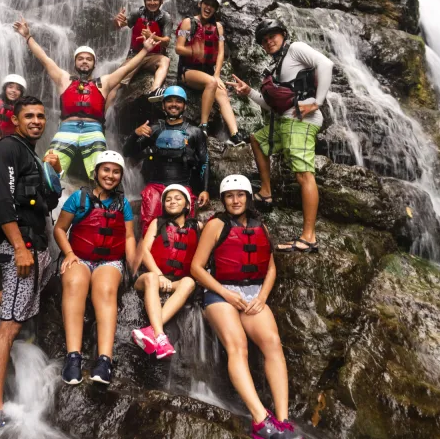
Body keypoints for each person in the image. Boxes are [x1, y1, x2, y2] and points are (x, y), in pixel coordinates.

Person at [189, 175, 302, 439]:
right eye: (230, 196)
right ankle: (261, 421)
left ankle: (283, 421)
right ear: (223, 199)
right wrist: (226, 293)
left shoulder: (260, 225)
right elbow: (196, 267)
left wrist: (262, 297)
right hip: (220, 293)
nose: (236, 200)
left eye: (240, 195)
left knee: (272, 342)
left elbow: (271, 267)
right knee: (237, 345)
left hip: (253, 294)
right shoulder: (216, 224)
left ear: (248, 198)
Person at [0, 96, 55, 434]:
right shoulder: (8, 148)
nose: (36, 121)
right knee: (10, 327)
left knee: (29, 293)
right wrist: (19, 247)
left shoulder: (30, 153)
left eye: (40, 116)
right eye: (29, 116)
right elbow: (4, 201)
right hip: (21, 246)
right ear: (17, 120)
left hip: (38, 245)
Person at [228, 19, 333, 253]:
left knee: (304, 175)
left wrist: (317, 102)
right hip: (284, 120)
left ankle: (308, 237)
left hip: (300, 121)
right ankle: (266, 193)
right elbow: (273, 105)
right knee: (257, 139)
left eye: (273, 36)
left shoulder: (295, 49)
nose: (269, 41)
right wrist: (249, 92)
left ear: (283, 35)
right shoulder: (277, 64)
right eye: (264, 40)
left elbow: (326, 64)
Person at [12, 17, 158, 179]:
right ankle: (48, 197)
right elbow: (44, 59)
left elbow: (127, 68)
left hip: (93, 131)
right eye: (80, 59)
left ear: (94, 64)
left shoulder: (104, 82)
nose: (84, 62)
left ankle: (100, 201)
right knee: (48, 167)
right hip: (67, 129)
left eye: (89, 59)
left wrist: (145, 50)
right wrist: (27, 37)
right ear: (75, 62)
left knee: (101, 173)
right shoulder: (64, 79)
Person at [54, 151, 136, 385]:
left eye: (116, 172)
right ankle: (73, 357)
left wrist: (133, 262)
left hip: (109, 261)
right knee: (75, 283)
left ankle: (104, 360)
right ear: (96, 172)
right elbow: (60, 229)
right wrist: (69, 253)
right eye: (106, 170)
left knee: (106, 289)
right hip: (78, 257)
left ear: (121, 176)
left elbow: (129, 236)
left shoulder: (123, 204)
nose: (110, 176)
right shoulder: (79, 198)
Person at [122, 85, 209, 236]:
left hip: (182, 186)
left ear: (185, 106)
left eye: (178, 101)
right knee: (149, 227)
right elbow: (127, 152)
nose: (174, 104)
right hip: (155, 186)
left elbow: (204, 162)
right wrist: (135, 134)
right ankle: (148, 254)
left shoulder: (195, 132)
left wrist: (205, 190)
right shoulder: (154, 129)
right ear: (163, 105)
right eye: (169, 101)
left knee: (183, 230)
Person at [131, 184, 199, 359]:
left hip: (175, 281)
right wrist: (159, 275)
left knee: (189, 282)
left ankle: (151, 331)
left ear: (187, 205)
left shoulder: (198, 226)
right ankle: (160, 335)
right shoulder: (157, 223)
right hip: (149, 278)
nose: (172, 202)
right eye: (168, 199)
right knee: (152, 278)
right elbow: (145, 251)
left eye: (177, 198)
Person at [174, 0, 246, 146]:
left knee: (222, 92)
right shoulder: (188, 23)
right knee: (212, 83)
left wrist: (217, 74)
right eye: (206, 3)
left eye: (212, 6)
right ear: (200, 4)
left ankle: (235, 134)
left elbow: (220, 53)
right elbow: (179, 48)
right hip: (187, 71)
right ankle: (203, 125)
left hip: (208, 73)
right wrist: (194, 50)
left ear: (216, 9)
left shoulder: (218, 27)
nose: (208, 8)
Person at [110, 0, 172, 105]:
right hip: (135, 56)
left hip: (153, 56)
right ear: (144, 1)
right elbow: (120, 26)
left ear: (161, 1)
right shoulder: (137, 13)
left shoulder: (165, 17)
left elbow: (167, 41)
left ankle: (155, 90)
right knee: (115, 85)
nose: (152, 2)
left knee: (165, 60)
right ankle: (102, 119)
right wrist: (117, 21)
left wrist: (152, 37)